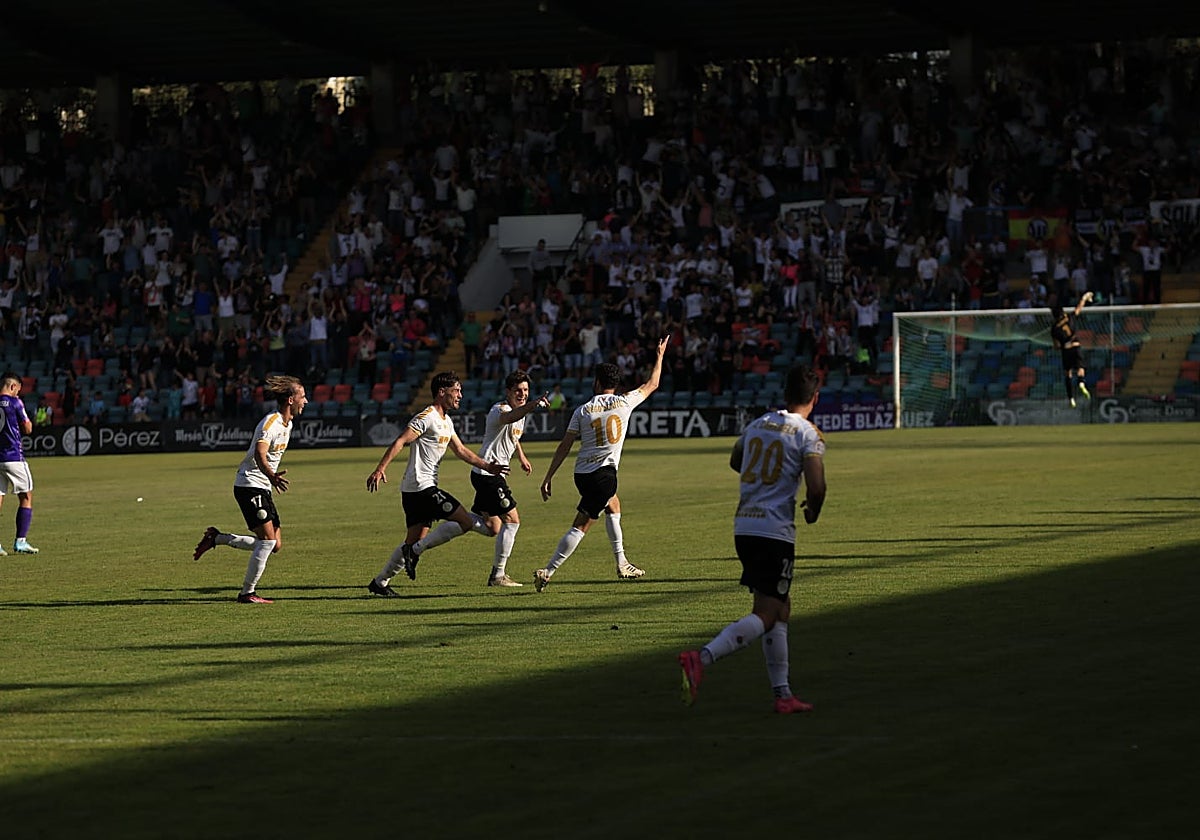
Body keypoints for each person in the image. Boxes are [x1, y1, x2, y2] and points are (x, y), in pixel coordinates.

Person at [678, 364, 827, 714]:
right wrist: (812, 510)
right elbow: (817, 486)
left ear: (785, 393)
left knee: (780, 607)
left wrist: (760, 479)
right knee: (769, 611)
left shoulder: (760, 423)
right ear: (815, 398)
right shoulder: (807, 433)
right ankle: (701, 658)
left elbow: (735, 459)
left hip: (744, 526)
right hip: (774, 532)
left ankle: (783, 694)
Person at [532, 335, 670, 591]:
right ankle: (548, 571)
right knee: (581, 525)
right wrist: (659, 355)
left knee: (613, 504)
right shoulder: (625, 402)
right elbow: (653, 383)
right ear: (616, 384)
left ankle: (622, 562)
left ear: (597, 382)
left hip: (582, 474)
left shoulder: (583, 410)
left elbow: (565, 445)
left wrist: (548, 476)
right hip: (604, 475)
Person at [365, 371, 510, 597]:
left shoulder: (446, 421)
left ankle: (380, 582)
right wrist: (380, 468)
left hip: (414, 490)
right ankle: (414, 552)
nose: (460, 395)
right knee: (462, 520)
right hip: (422, 488)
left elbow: (461, 450)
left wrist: (487, 466)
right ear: (442, 392)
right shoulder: (426, 417)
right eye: (456, 390)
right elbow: (401, 440)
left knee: (414, 539)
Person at [192, 375, 309, 603]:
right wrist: (272, 475)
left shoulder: (289, 424)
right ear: (289, 399)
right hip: (249, 485)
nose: (306, 401)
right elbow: (259, 453)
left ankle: (217, 538)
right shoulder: (271, 423)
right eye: (302, 397)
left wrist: (270, 479)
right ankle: (248, 593)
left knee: (274, 545)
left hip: (263, 486)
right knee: (267, 542)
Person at [470, 371, 551, 587]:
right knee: (513, 520)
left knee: (491, 526)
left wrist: (522, 456)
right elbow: (509, 419)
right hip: (489, 474)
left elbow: (513, 437)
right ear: (508, 392)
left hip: (485, 475)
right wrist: (533, 405)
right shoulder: (500, 410)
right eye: (518, 391)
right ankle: (498, 575)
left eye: (525, 391)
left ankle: (456, 518)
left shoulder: (518, 413)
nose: (522, 394)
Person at [0, 372, 39, 555]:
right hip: (13, 457)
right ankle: (20, 541)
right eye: (17, 391)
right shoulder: (16, 402)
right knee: (26, 496)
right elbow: (28, 428)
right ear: (13, 386)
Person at [1050, 291, 1094, 408]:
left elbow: (1056, 346)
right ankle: (1081, 382)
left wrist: (1058, 346)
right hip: (1075, 346)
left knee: (1067, 373)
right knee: (1080, 368)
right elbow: (1079, 307)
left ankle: (1071, 398)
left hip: (1066, 350)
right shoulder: (1070, 317)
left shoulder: (1054, 329)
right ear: (1062, 312)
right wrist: (1084, 298)